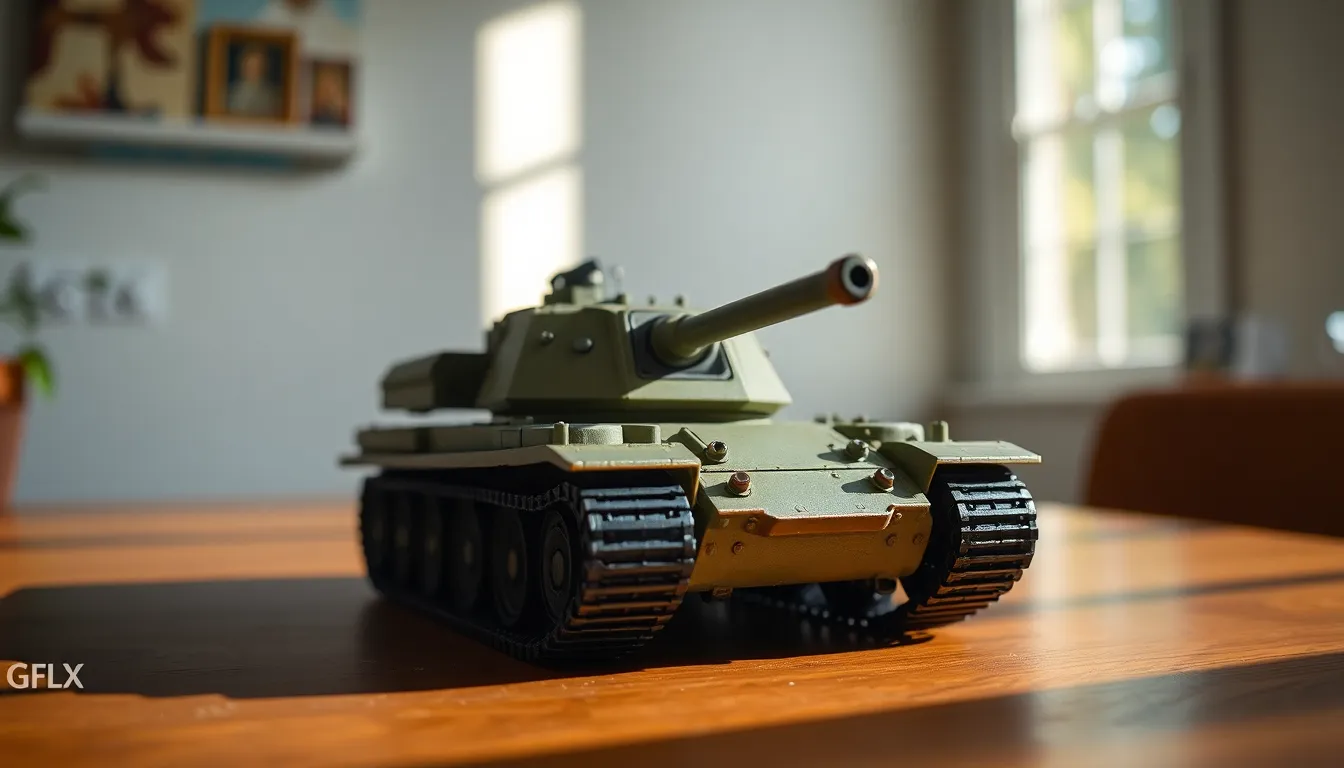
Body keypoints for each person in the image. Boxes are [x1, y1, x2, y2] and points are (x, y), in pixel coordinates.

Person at [227, 44, 279, 117]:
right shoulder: (231, 92)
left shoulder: (271, 95)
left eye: (256, 66)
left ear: (263, 68)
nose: (252, 70)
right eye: (250, 66)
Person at [309, 62, 348, 126]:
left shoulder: (343, 113)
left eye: (330, 87)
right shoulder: (313, 112)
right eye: (324, 87)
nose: (327, 92)